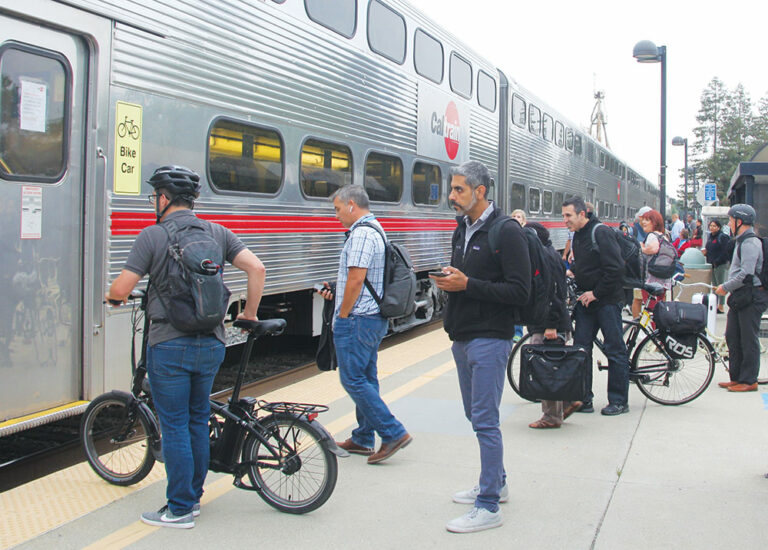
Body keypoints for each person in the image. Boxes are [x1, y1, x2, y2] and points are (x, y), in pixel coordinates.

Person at [105, 166, 266, 529]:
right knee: (196, 419)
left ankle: (178, 508)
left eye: (154, 198)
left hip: (169, 344)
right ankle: (192, 497)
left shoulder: (153, 236)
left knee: (174, 424)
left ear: (163, 198)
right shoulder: (218, 232)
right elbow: (257, 268)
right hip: (211, 343)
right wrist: (250, 315)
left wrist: (113, 298)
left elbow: (121, 288)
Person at [431, 160, 530, 533]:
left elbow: (521, 291)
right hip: (463, 335)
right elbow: (467, 279)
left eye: (458, 189)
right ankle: (497, 483)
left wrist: (467, 285)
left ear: (480, 191)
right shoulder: (463, 228)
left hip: (491, 338)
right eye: (452, 189)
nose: (452, 196)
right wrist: (452, 281)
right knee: (475, 416)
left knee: (486, 421)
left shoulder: (506, 232)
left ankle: (488, 505)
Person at [320, 185, 412, 463]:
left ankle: (393, 432)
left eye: (337, 209)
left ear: (351, 205)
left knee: (352, 379)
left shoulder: (360, 234)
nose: (336, 215)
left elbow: (357, 280)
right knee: (366, 378)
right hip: (371, 318)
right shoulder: (376, 228)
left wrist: (343, 314)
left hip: (359, 319)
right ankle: (362, 438)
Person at [563, 196, 630, 416]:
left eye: (568, 216)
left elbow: (616, 269)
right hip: (586, 302)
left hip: (607, 302)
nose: (565, 220)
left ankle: (619, 401)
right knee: (581, 348)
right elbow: (588, 263)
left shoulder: (600, 232)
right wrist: (573, 271)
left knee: (615, 350)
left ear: (582, 214)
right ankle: (584, 399)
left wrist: (597, 292)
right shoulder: (578, 236)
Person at [524, 222, 581, 429]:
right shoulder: (549, 254)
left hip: (548, 323)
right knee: (553, 366)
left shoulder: (544, 259)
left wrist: (550, 325)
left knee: (545, 368)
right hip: (550, 320)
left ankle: (551, 417)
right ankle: (567, 401)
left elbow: (554, 294)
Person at [715, 204, 768, 392]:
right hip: (741, 296)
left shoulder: (750, 243)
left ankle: (749, 380)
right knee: (733, 336)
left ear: (740, 221)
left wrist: (724, 287)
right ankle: (736, 377)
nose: (728, 223)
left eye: (730, 220)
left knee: (748, 338)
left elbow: (746, 274)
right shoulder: (740, 240)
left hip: (752, 296)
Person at [638, 208, 673, 313]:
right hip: (663, 278)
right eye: (643, 219)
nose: (643, 222)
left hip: (651, 279)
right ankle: (659, 328)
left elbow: (654, 249)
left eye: (647, 220)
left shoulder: (652, 236)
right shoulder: (663, 236)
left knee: (651, 310)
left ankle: (655, 329)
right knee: (658, 309)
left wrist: (641, 248)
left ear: (655, 222)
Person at [702, 220, 730, 313]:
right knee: (714, 286)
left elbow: (725, 251)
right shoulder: (710, 237)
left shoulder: (722, 237)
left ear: (719, 227)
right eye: (711, 226)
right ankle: (715, 304)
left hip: (720, 264)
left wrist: (717, 261)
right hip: (712, 264)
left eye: (714, 226)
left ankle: (721, 305)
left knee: (720, 284)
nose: (712, 227)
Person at [510, 211, 527, 341]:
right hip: (510, 272)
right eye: (514, 216)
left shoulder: (526, 235)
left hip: (521, 273)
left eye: (518, 217)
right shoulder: (507, 234)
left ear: (523, 221)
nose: (516, 218)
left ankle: (518, 332)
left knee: (518, 303)